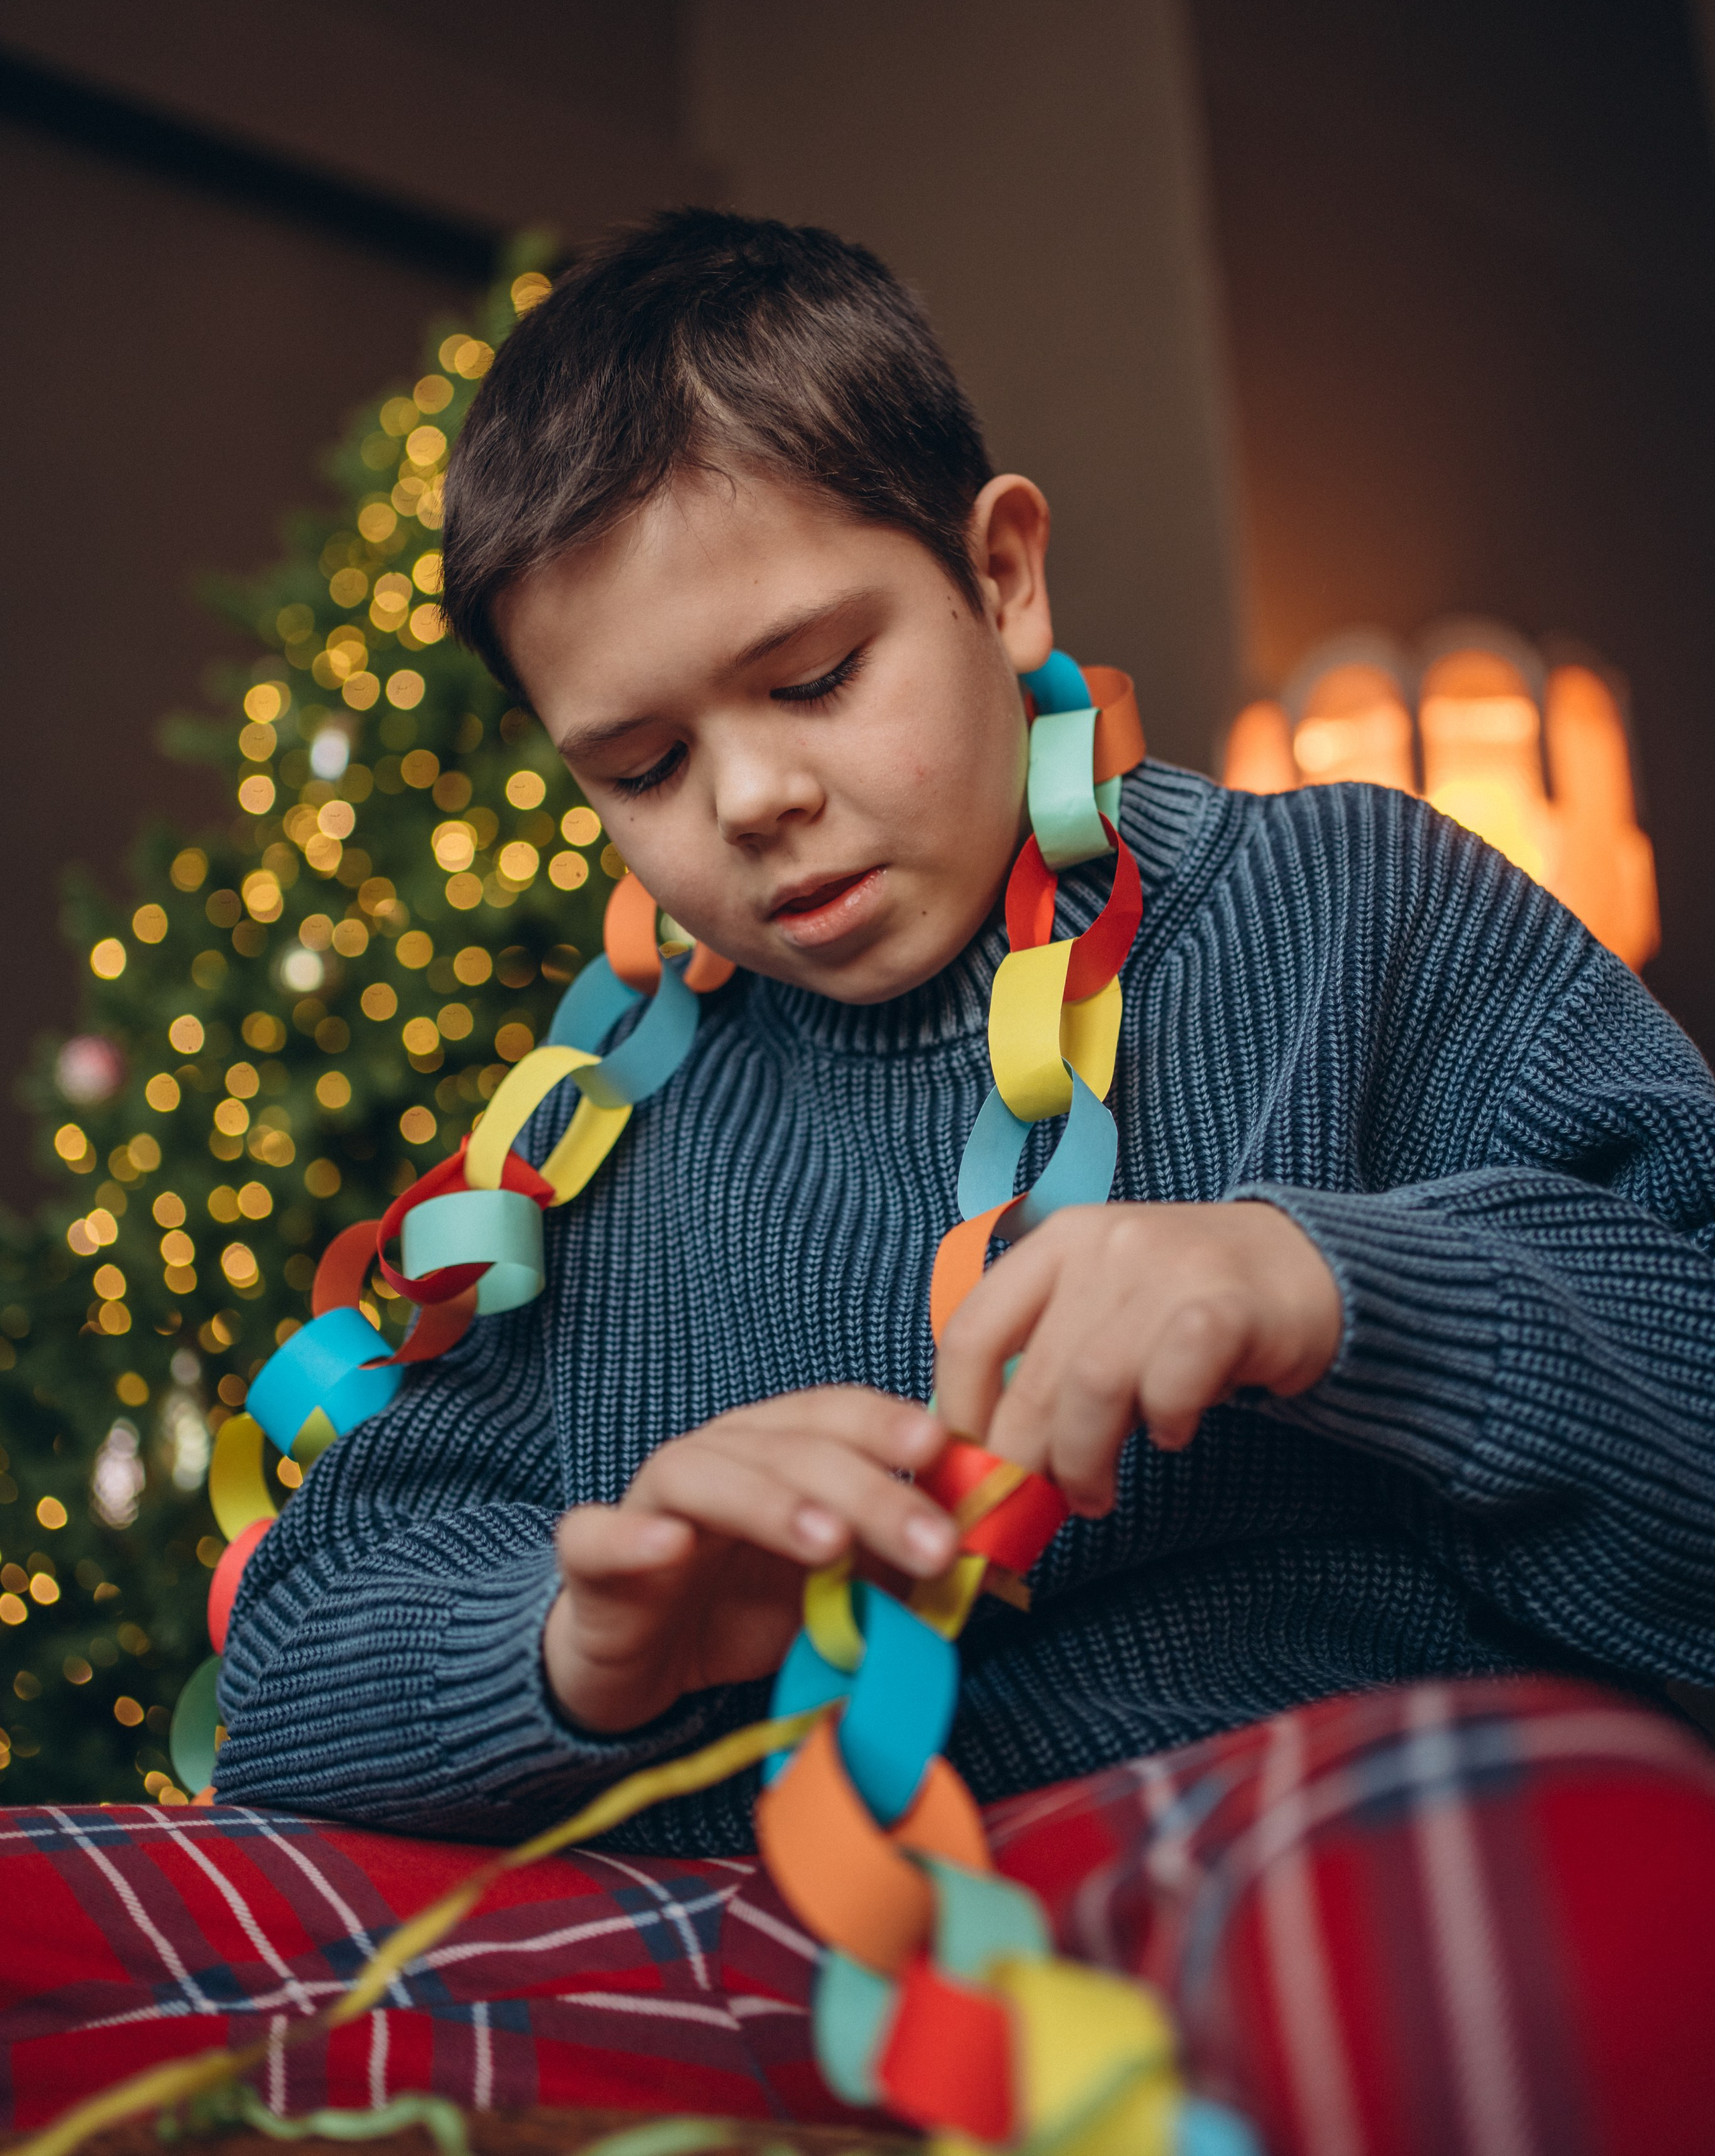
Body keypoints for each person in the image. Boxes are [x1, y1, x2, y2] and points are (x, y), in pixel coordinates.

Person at [214, 210, 1715, 2153]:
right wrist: (576, 1649)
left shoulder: (1352, 912)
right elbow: (293, 1670)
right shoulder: (595, 1152)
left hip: (1291, 1809)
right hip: (767, 1926)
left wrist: (1334, 1285)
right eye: (643, 767)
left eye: (816, 678)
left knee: (1511, 1891)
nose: (751, 799)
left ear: (1000, 577)